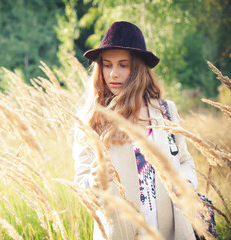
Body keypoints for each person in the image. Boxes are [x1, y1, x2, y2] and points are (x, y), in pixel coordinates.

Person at [73, 21, 198, 239]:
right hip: (119, 231)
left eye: (123, 65)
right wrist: (94, 182)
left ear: (138, 67)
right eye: (107, 65)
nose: (113, 74)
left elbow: (185, 161)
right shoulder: (91, 119)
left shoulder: (166, 111)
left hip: (169, 231)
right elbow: (82, 183)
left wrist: (185, 183)